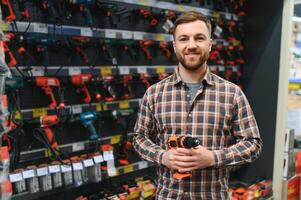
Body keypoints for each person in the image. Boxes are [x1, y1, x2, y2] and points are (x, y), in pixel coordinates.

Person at [132, 11, 262, 200]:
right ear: (175, 46)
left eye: (199, 38)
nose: (191, 45)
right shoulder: (154, 93)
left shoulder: (232, 94)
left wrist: (213, 158)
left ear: (210, 44)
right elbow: (139, 138)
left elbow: (253, 144)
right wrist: (163, 156)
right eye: (184, 39)